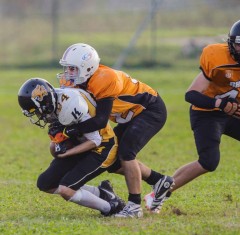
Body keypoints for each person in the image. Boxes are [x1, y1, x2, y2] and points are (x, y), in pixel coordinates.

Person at [145, 18, 240, 213]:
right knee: (208, 162)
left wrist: (228, 107)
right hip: (206, 113)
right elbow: (191, 95)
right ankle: (157, 194)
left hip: (235, 112)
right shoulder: (217, 57)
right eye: (238, 43)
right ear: (230, 42)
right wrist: (219, 104)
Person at [56, 43, 174, 218]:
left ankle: (134, 206)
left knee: (126, 153)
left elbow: (101, 120)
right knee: (112, 159)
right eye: (67, 69)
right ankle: (158, 180)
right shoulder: (84, 82)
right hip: (130, 115)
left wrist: (72, 130)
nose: (68, 74)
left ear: (87, 67)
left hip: (149, 110)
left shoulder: (104, 78)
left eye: (73, 69)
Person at [18, 77, 127, 216]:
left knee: (66, 189)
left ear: (44, 101)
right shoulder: (54, 103)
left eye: (37, 111)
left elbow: (95, 140)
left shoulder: (70, 105)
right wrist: (56, 146)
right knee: (46, 183)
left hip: (102, 147)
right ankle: (102, 193)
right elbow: (66, 138)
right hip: (81, 142)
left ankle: (112, 207)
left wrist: (67, 153)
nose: (38, 116)